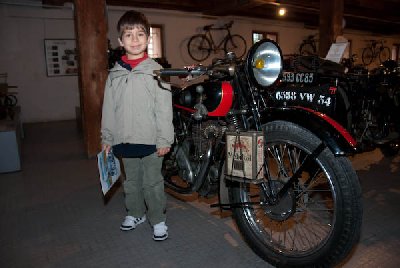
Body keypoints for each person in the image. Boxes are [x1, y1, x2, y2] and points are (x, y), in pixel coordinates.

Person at [101, 10, 173, 241]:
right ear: (121, 41)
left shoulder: (157, 72)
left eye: (140, 34)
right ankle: (135, 213)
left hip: (152, 140)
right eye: (129, 35)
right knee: (131, 182)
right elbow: (109, 109)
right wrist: (107, 138)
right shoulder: (114, 75)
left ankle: (158, 219)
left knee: (152, 183)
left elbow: (164, 109)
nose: (135, 39)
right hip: (124, 139)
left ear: (148, 38)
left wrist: (165, 139)